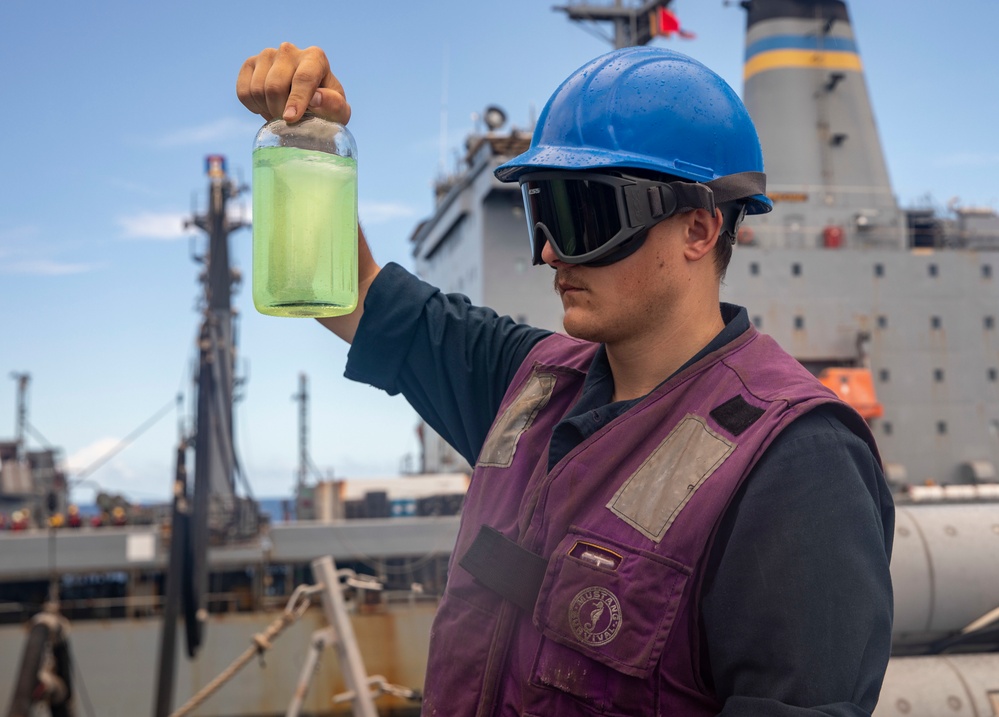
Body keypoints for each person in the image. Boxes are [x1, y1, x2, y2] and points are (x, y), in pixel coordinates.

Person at [237, 43, 894, 716]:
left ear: (698, 228)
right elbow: (348, 293)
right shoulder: (528, 384)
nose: (550, 251)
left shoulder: (795, 463)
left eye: (585, 214)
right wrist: (306, 138)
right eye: (539, 210)